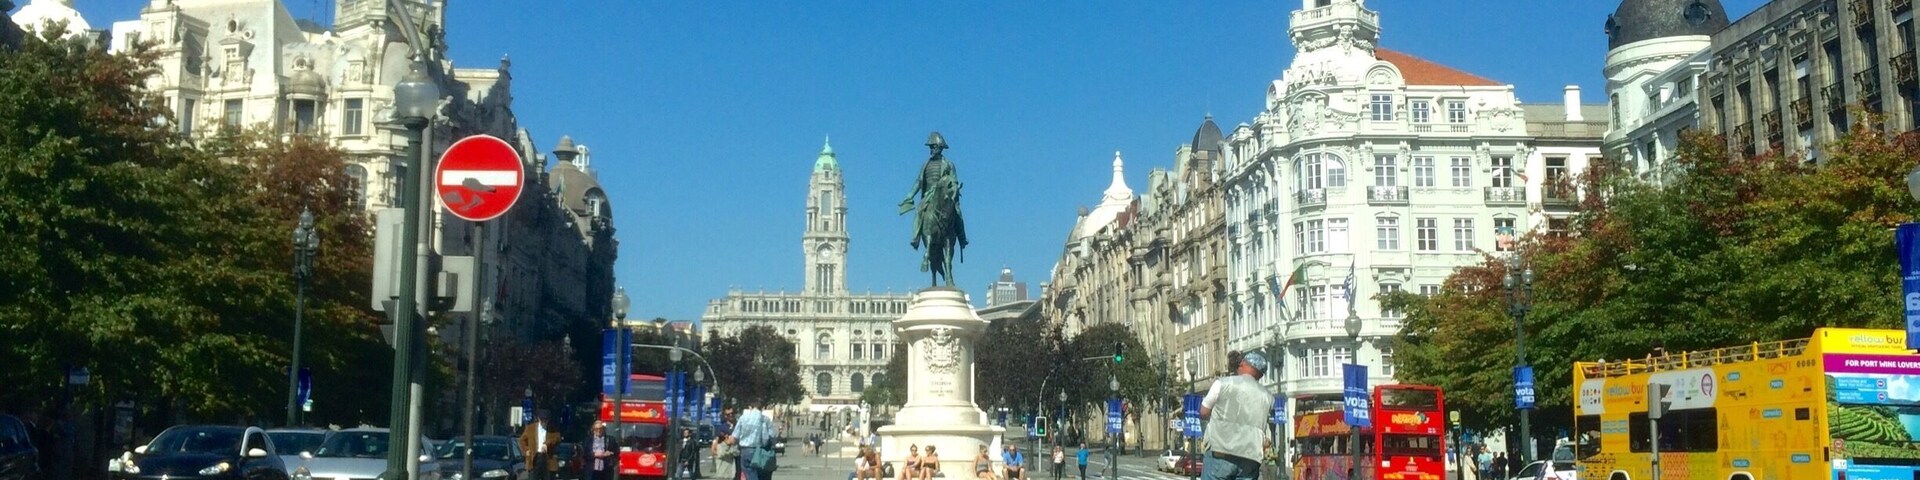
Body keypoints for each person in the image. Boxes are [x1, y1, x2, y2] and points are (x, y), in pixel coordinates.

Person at [1198, 352, 1274, 480]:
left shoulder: (1222, 383)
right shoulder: (1268, 397)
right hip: (1250, 456)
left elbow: (1204, 411)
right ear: (1260, 374)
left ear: (1244, 365)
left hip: (1220, 451)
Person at [732, 404, 778, 480]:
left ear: (750, 407)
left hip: (746, 451)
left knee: (750, 474)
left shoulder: (743, 418)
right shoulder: (765, 419)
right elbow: (772, 436)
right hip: (761, 451)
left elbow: (734, 437)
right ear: (762, 408)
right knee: (763, 475)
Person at [519, 411, 563, 480]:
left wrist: (547, 444)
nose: (544, 422)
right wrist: (526, 450)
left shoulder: (553, 429)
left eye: (546, 420)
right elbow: (521, 440)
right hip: (534, 458)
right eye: (542, 420)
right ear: (539, 419)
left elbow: (557, 439)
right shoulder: (530, 428)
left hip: (548, 458)